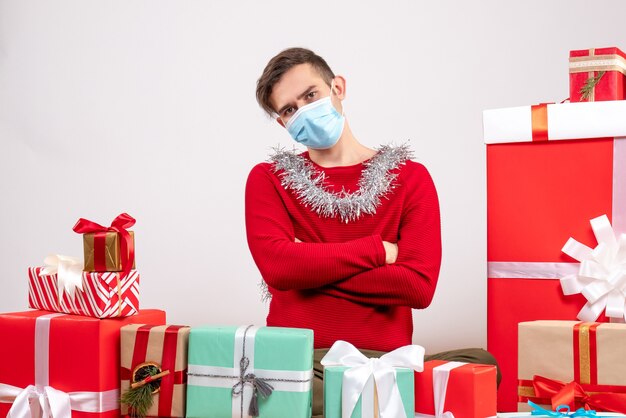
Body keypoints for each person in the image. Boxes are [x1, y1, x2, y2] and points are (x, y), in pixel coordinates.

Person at [246, 47, 499, 417]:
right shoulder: (267, 180)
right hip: (304, 363)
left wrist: (308, 266)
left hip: (386, 361)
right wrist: (379, 251)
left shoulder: (410, 178)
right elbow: (278, 268)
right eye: (289, 109)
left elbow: (418, 286)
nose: (302, 112)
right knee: (294, 391)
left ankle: (362, 397)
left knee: (482, 364)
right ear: (284, 124)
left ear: (338, 88)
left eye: (310, 95)